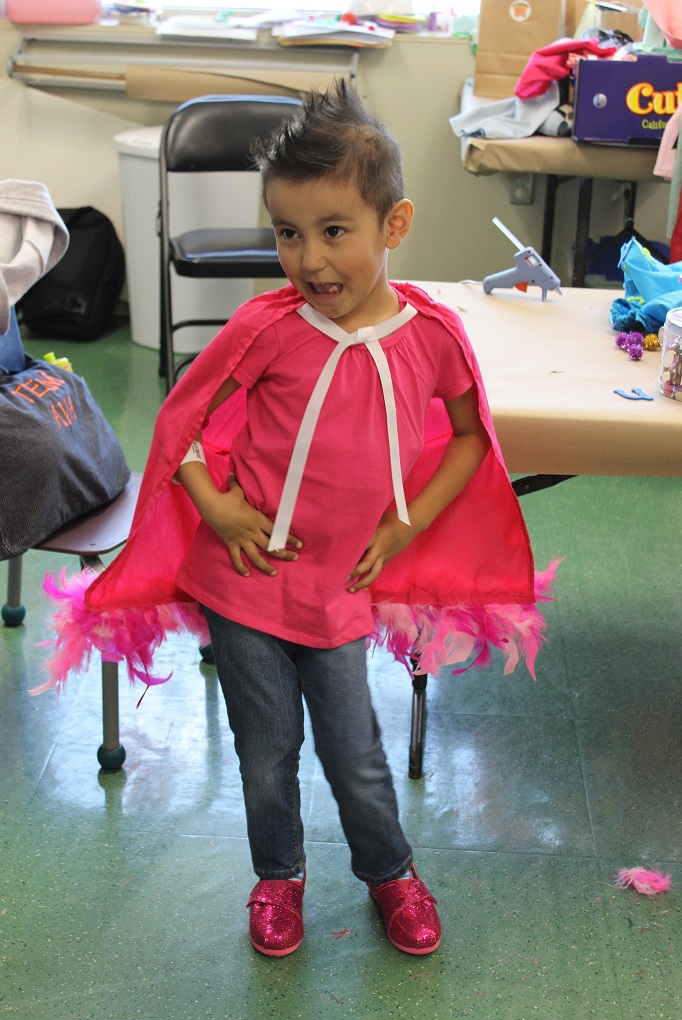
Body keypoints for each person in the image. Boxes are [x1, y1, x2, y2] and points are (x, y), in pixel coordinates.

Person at [40, 82, 554, 958]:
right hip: (244, 585)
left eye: (334, 230)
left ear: (394, 225)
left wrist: (405, 525)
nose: (310, 260)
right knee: (265, 752)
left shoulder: (431, 337)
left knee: (355, 755)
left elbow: (472, 438)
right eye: (287, 233)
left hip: (338, 591)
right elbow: (183, 423)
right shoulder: (267, 328)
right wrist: (215, 505)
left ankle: (390, 873)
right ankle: (277, 879)